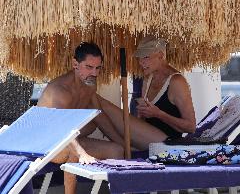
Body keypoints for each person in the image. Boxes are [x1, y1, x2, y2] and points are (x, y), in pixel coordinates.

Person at [37, 42, 124, 194]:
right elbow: (61, 129)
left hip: (70, 138)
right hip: (47, 143)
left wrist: (121, 142)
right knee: (75, 152)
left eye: (98, 68)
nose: (94, 73)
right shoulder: (60, 90)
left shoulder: (90, 85)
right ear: (75, 64)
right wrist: (82, 153)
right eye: (89, 67)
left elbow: (99, 115)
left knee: (116, 150)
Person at [95, 35, 196, 150]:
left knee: (101, 103)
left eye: (146, 57)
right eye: (139, 58)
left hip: (167, 143)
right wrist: (141, 114)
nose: (141, 62)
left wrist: (159, 114)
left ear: (161, 56)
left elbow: (191, 127)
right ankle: (125, 147)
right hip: (147, 138)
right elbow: (143, 122)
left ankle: (125, 146)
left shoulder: (176, 82)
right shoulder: (148, 79)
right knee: (97, 106)